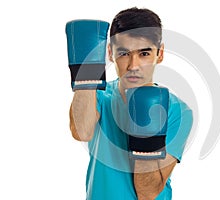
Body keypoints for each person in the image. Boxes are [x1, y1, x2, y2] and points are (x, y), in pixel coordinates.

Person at [68, 7, 193, 200]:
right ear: (110, 53)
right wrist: (86, 73)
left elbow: (147, 193)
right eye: (124, 53)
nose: (133, 65)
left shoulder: (179, 111)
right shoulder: (99, 96)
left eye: (144, 53)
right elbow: (82, 132)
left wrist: (145, 134)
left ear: (159, 54)